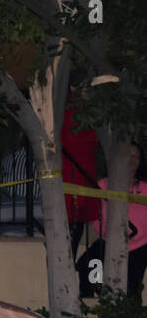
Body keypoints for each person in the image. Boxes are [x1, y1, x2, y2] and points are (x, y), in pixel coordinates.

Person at [77, 143, 147, 298]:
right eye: (128, 155)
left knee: (132, 285)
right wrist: (104, 232)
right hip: (109, 240)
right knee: (87, 265)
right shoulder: (103, 185)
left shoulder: (145, 187)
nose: (132, 160)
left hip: (140, 244)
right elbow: (94, 213)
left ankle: (130, 315)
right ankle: (95, 298)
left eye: (136, 156)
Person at [62, 103, 100, 258]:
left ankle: (69, 255)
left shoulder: (84, 111)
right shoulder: (71, 113)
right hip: (74, 171)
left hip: (80, 169)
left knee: (77, 220)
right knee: (74, 218)